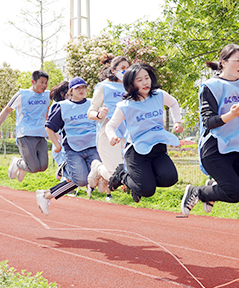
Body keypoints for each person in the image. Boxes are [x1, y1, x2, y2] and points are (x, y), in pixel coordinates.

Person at [180, 43, 239, 216]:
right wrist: (231, 115)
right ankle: (198, 192)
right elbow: (208, 121)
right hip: (214, 149)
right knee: (235, 193)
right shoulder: (210, 86)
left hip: (236, 147)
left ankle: (213, 190)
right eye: (237, 61)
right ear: (223, 62)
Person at [105, 63, 184, 203]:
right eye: (139, 80)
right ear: (131, 83)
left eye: (146, 78)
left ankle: (141, 182)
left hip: (158, 148)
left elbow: (173, 103)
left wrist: (177, 121)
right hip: (137, 151)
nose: (145, 82)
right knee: (147, 190)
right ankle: (122, 174)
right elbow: (110, 126)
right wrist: (112, 136)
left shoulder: (159, 95)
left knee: (170, 178)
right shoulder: (125, 106)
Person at [36, 77, 101, 215]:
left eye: (83, 87)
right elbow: (49, 127)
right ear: (71, 90)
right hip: (73, 149)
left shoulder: (93, 104)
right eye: (78, 88)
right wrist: (57, 145)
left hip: (93, 146)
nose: (82, 90)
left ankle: (47, 194)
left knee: (91, 178)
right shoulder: (63, 106)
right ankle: (65, 169)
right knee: (81, 180)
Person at [87, 54, 131, 201]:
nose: (126, 71)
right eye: (123, 68)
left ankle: (99, 169)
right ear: (113, 70)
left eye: (128, 68)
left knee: (126, 171)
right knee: (116, 175)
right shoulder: (103, 86)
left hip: (128, 132)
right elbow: (91, 112)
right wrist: (99, 114)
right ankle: (98, 169)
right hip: (108, 131)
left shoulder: (131, 87)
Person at [0, 70, 50, 182]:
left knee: (43, 166)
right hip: (25, 134)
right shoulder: (22, 95)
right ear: (33, 82)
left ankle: (20, 164)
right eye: (42, 82)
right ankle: (17, 162)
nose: (44, 85)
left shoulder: (47, 96)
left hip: (41, 133)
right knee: (33, 167)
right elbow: (6, 110)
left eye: (46, 83)